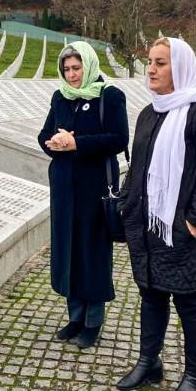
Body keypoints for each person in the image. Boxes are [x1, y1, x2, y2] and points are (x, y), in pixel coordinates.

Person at [115, 37, 196, 391]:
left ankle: (195, 376)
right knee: (151, 294)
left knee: (190, 302)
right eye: (150, 62)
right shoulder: (149, 113)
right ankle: (149, 362)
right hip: (149, 226)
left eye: (161, 63)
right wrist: (126, 205)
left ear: (181, 68)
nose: (151, 70)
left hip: (184, 229)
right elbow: (137, 166)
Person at [38, 41, 128, 349]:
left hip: (95, 189)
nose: (72, 75)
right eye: (67, 69)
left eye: (77, 68)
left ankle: (93, 322)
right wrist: (54, 141)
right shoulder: (60, 97)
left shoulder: (110, 96)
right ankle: (75, 317)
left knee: (92, 252)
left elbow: (118, 139)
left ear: (88, 66)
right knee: (69, 250)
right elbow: (43, 133)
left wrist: (78, 144)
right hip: (64, 187)